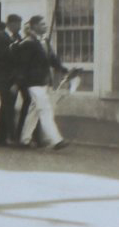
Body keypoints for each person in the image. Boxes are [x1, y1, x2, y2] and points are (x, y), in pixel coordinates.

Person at [14, 15, 74, 150]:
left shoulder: (44, 41)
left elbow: (52, 59)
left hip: (43, 82)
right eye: (42, 24)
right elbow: (23, 65)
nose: (45, 26)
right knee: (45, 109)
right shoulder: (28, 43)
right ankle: (56, 140)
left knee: (34, 111)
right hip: (33, 82)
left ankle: (24, 139)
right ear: (34, 26)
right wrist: (18, 83)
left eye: (45, 24)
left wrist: (64, 70)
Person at [0, 15, 23, 146]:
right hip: (3, 76)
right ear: (10, 24)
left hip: (13, 76)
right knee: (8, 107)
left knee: (6, 106)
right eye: (18, 24)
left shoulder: (18, 38)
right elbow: (0, 57)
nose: (19, 27)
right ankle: (12, 137)